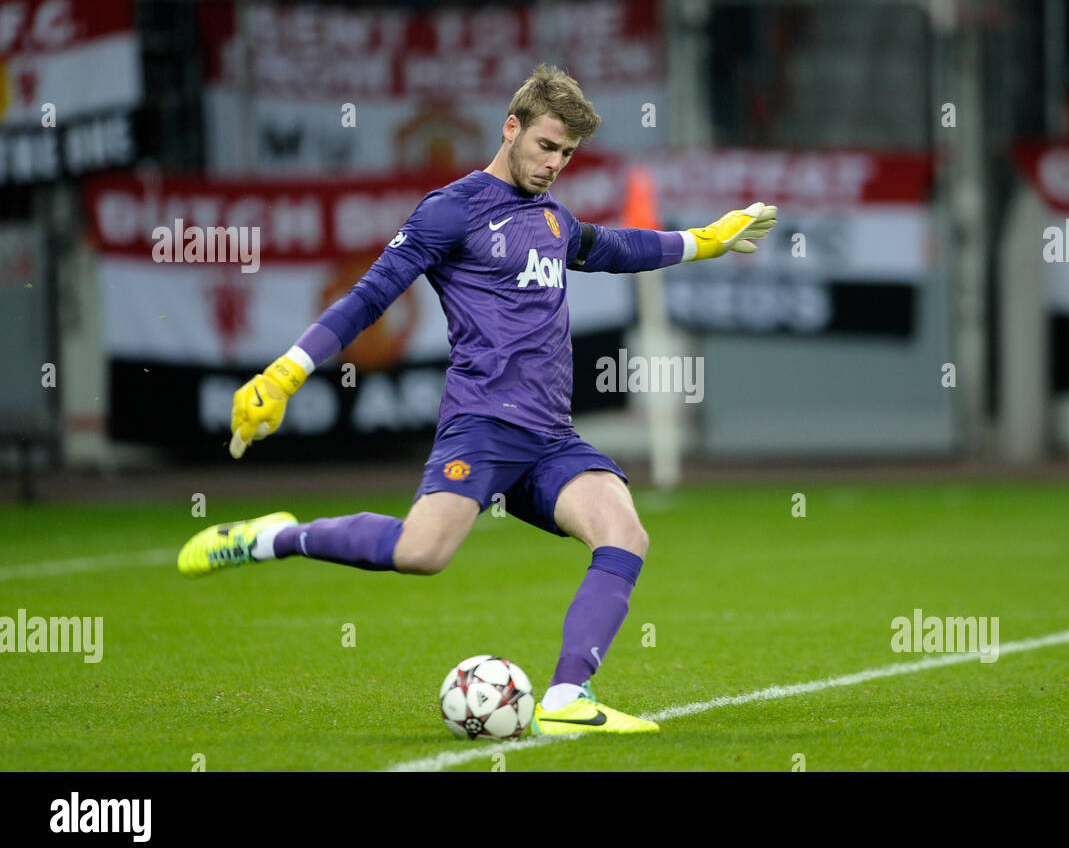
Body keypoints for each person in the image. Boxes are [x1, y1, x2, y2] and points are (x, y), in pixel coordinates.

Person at [177, 64, 777, 735]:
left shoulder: (552, 218)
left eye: (568, 154)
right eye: (547, 146)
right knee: (422, 553)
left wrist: (704, 240)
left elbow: (613, 246)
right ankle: (276, 537)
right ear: (511, 127)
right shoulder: (451, 209)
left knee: (625, 531)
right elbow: (370, 295)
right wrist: (288, 371)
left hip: (550, 438)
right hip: (483, 424)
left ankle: (567, 697)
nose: (555, 164)